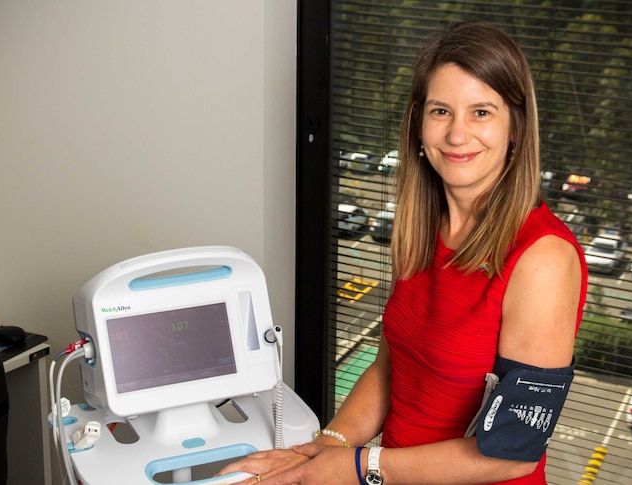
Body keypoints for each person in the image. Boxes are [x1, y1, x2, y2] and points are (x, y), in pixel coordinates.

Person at [221, 21, 588, 484]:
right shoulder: (424, 228)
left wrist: (357, 468)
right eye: (440, 111)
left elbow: (513, 454)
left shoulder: (543, 259)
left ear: (515, 127)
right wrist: (325, 447)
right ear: (418, 121)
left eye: (481, 113)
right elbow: (391, 366)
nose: (457, 135)